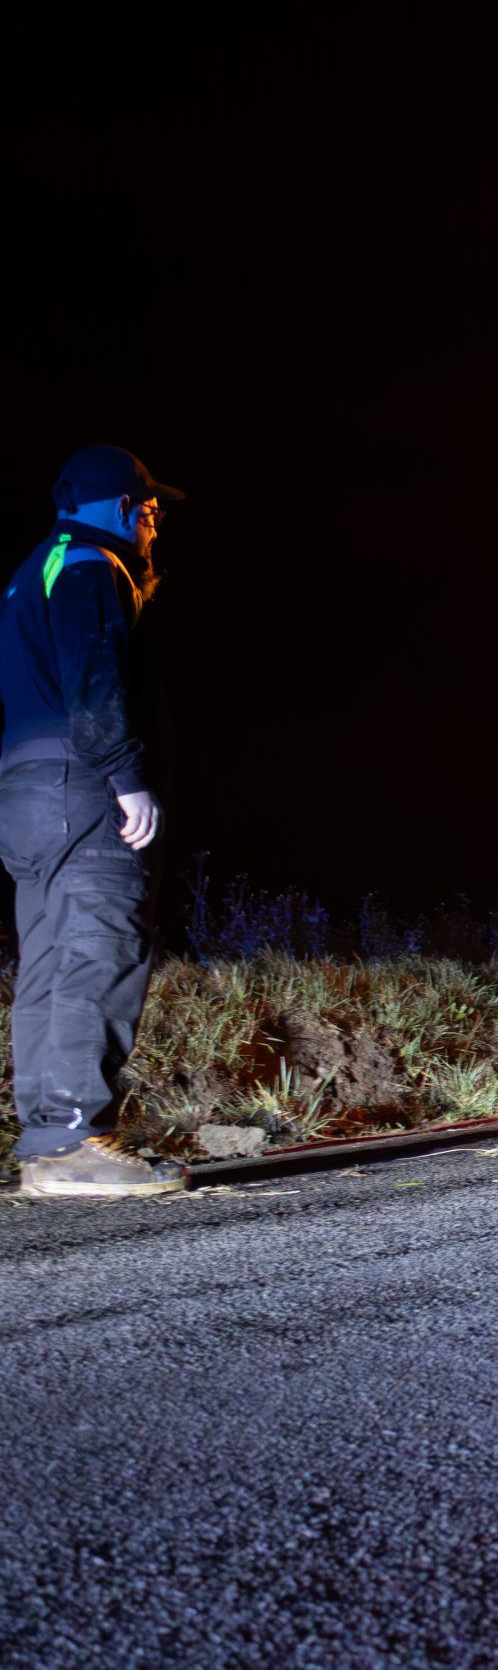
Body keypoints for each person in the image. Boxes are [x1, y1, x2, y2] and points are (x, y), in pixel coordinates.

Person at [5, 444, 180, 1197]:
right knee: (97, 945)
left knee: (50, 958)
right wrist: (127, 777)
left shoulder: (34, 568)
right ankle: (76, 1140)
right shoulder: (91, 566)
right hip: (82, 781)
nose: (154, 527)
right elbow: (93, 672)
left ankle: (49, 1142)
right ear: (121, 509)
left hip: (27, 786)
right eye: (149, 512)